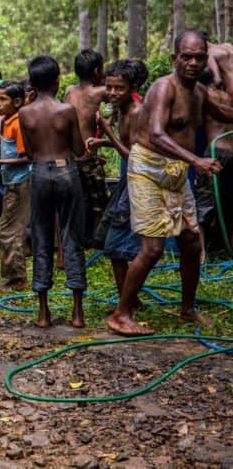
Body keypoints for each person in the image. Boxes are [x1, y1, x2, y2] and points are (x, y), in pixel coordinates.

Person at [107, 29, 233, 336]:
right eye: (186, 57)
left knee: (191, 240)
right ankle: (121, 314)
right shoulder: (164, 88)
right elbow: (158, 135)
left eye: (199, 57)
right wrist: (197, 161)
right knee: (152, 247)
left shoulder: (199, 92)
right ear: (174, 58)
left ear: (207, 59)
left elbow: (226, 112)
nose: (192, 63)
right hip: (148, 168)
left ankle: (187, 309)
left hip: (176, 169)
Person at [20, 56, 87, 328]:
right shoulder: (66, 110)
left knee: (41, 237)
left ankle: (43, 313)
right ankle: (77, 313)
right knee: (72, 236)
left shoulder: (25, 113)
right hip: (66, 171)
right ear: (58, 81)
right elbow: (79, 149)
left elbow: (27, 152)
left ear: (32, 84)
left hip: (39, 172)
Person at [91, 61, 143, 294]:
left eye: (118, 88)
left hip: (138, 183)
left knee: (118, 245)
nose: (112, 93)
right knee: (112, 245)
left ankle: (128, 300)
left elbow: (132, 156)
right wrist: (103, 140)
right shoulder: (121, 108)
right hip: (126, 183)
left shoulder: (135, 112)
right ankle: (129, 298)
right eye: (108, 87)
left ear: (132, 87)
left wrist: (106, 129)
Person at [0, 81, 31, 292]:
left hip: (21, 181)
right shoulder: (6, 122)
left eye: (3, 99)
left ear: (18, 101)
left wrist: (1, 163)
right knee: (7, 229)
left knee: (11, 231)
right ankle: (12, 276)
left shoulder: (18, 122)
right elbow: (7, 150)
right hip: (11, 180)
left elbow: (26, 157)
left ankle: (18, 278)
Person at [64, 49, 109, 256]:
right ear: (97, 70)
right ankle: (95, 242)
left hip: (70, 157)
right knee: (99, 202)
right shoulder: (100, 92)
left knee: (77, 202)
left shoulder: (69, 91)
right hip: (88, 158)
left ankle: (78, 241)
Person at [192, 68, 233, 253]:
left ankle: (200, 255)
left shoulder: (202, 96)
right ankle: (228, 248)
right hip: (231, 152)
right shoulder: (226, 95)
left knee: (203, 203)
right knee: (229, 203)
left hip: (214, 153)